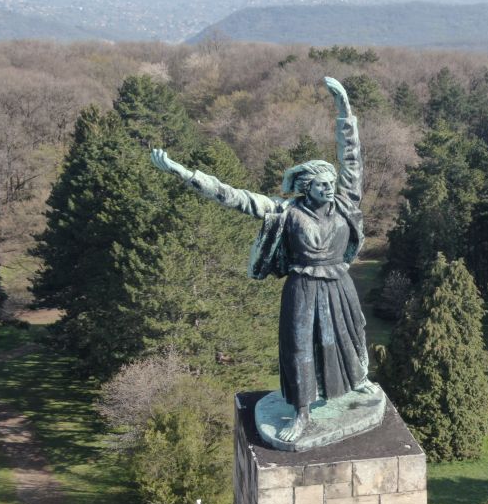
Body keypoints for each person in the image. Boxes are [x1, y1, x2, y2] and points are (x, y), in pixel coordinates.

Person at [151, 77, 377, 443]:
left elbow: (352, 158)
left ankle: (357, 382)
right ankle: (302, 412)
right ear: (306, 187)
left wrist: (344, 111)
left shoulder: (345, 204)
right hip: (303, 287)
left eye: (331, 183)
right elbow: (234, 197)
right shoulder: (285, 211)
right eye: (321, 184)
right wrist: (184, 173)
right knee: (300, 347)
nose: (328, 188)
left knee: (350, 338)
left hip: (340, 284)